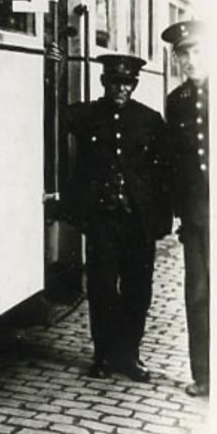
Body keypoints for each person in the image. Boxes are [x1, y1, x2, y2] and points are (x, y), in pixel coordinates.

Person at [64, 54, 171, 381]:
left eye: (126, 83)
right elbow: (51, 114)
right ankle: (104, 355)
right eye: (114, 83)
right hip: (102, 221)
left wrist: (161, 220)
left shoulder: (150, 121)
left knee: (138, 291)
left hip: (137, 223)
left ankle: (130, 355)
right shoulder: (87, 116)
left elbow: (164, 174)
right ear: (104, 83)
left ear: (134, 85)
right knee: (102, 289)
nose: (120, 89)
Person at [162, 20, 209, 397]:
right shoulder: (175, 102)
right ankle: (204, 375)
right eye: (183, 55)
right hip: (194, 216)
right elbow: (175, 162)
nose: (190, 61)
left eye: (195, 52)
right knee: (197, 293)